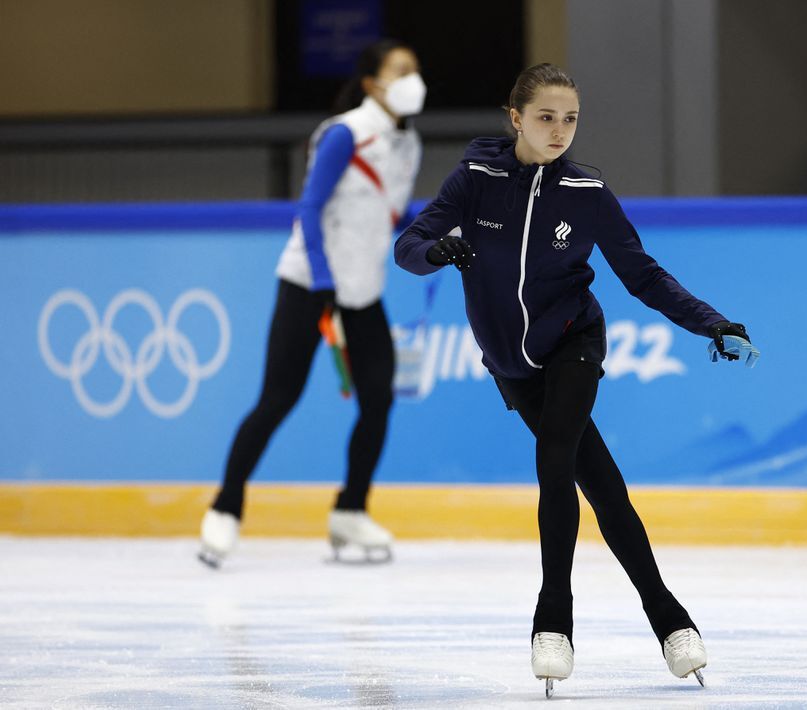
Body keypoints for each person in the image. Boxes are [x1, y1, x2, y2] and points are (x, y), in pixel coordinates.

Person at [394, 63, 757, 694]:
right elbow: (408, 246)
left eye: (570, 119)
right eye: (545, 117)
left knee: (556, 462)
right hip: (512, 365)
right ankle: (669, 619)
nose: (559, 130)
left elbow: (643, 276)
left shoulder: (587, 191)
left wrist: (713, 323)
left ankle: (552, 621)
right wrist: (436, 253)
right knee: (604, 487)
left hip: (574, 343)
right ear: (515, 117)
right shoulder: (476, 179)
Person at [198, 39, 425, 568]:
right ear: (372, 83)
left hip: (362, 290)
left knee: (378, 397)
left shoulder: (407, 145)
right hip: (308, 283)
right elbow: (311, 206)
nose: (415, 79)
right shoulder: (345, 133)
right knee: (278, 397)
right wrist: (322, 278)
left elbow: (392, 212)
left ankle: (350, 508)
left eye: (417, 70)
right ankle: (226, 506)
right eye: (401, 71)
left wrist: (440, 237)